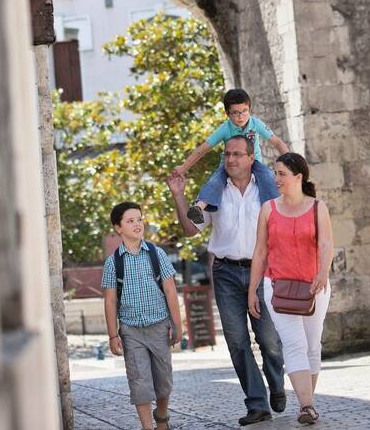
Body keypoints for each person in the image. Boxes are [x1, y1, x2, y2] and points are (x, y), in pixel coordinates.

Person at [167, 136, 287, 426]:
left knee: (270, 339)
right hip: (226, 274)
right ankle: (256, 404)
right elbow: (190, 230)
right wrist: (178, 195)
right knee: (237, 341)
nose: (230, 159)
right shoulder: (215, 193)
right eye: (227, 155)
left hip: (262, 271)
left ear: (250, 158)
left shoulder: (268, 190)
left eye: (237, 154)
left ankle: (277, 383)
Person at [248, 153, 333, 426]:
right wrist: (253, 290)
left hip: (314, 287)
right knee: (293, 344)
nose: (277, 179)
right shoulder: (268, 209)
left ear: (299, 177)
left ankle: (308, 402)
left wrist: (323, 272)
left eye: (282, 174)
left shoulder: (318, 207)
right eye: (276, 173)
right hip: (277, 287)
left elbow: (326, 245)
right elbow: (260, 252)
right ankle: (306, 406)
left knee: (311, 345)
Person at [101, 202, 183, 430]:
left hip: (159, 326)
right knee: (139, 382)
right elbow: (109, 301)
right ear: (118, 228)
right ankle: (148, 426)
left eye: (139, 219)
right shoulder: (113, 263)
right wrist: (112, 335)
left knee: (164, 380)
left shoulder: (157, 254)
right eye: (130, 221)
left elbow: (170, 290)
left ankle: (162, 416)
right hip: (130, 330)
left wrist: (178, 325)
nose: (137, 224)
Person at [171, 88, 289, 224]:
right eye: (235, 113)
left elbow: (277, 142)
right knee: (216, 180)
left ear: (249, 109)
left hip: (253, 162)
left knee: (267, 177)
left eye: (244, 111)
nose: (241, 116)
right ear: (227, 114)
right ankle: (199, 207)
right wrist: (183, 168)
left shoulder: (256, 124)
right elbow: (202, 149)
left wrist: (291, 163)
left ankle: (276, 211)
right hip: (229, 164)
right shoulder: (225, 129)